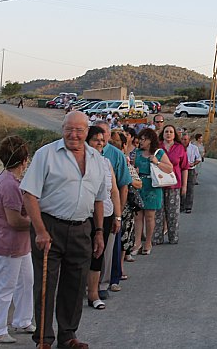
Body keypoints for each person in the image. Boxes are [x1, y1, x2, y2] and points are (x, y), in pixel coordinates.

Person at [20, 111, 106, 348]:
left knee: (76, 285)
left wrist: (98, 231)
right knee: (46, 285)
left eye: (79, 130)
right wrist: (40, 230)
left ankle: (67, 336)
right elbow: (29, 194)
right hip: (49, 227)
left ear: (87, 132)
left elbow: (99, 200)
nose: (74, 135)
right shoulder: (46, 154)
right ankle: (44, 339)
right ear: (62, 129)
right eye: (69, 128)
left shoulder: (97, 160)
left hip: (81, 229)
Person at [0, 136, 34, 344]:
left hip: (19, 244)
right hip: (8, 242)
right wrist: (37, 221)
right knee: (4, 285)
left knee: (26, 281)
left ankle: (22, 319)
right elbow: (15, 221)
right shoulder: (9, 185)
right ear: (24, 160)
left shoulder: (8, 180)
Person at [85, 126, 120, 310]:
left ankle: (94, 294)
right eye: (95, 139)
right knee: (82, 253)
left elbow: (113, 190)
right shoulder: (81, 161)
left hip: (105, 213)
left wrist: (118, 216)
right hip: (85, 213)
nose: (99, 142)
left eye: (101, 139)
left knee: (98, 253)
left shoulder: (106, 163)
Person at [95, 121, 130, 295]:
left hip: (110, 209)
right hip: (91, 211)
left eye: (104, 133)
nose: (100, 139)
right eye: (97, 134)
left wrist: (119, 213)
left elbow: (121, 186)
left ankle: (106, 282)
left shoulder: (115, 156)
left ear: (109, 135)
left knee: (110, 249)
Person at [133, 128, 173, 255]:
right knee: (138, 216)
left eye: (143, 140)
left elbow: (169, 168)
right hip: (139, 185)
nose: (140, 142)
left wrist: (157, 162)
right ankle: (137, 243)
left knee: (150, 216)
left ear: (150, 140)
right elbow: (132, 167)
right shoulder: (137, 153)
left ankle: (148, 242)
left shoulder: (159, 153)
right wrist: (135, 171)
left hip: (153, 186)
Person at [155, 124, 188, 244]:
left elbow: (185, 167)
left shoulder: (180, 148)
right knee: (158, 212)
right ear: (162, 134)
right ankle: (157, 237)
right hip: (159, 183)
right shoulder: (157, 147)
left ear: (175, 135)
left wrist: (184, 186)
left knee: (173, 213)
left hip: (174, 185)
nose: (168, 134)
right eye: (166, 132)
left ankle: (173, 237)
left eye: (171, 132)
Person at [180, 133, 201, 214]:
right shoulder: (179, 147)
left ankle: (188, 206)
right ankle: (181, 205)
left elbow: (198, 158)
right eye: (182, 139)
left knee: (190, 189)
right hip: (181, 170)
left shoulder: (193, 148)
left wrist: (193, 163)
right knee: (180, 188)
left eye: (185, 139)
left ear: (189, 140)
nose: (184, 141)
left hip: (190, 170)